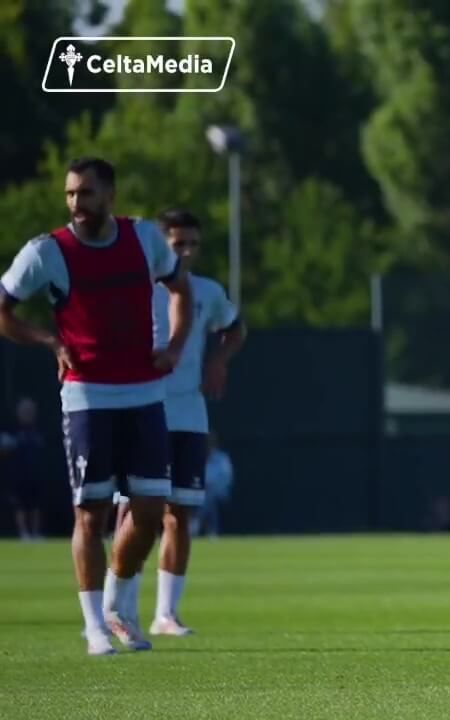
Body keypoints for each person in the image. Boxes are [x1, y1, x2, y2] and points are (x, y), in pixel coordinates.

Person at [0, 157, 193, 655]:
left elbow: (179, 290)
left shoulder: (144, 238)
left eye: (85, 193)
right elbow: (4, 309)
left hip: (144, 391)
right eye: (69, 194)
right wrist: (47, 341)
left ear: (109, 194)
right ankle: (93, 627)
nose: (75, 203)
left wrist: (173, 347)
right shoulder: (47, 251)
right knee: (91, 511)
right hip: (86, 395)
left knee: (150, 510)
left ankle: (116, 602)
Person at [115, 208, 246, 636]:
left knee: (181, 514)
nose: (187, 251)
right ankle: (119, 609)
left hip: (190, 414)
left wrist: (219, 361)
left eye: (193, 243)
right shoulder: (135, 287)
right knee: (135, 513)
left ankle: (165, 614)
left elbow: (236, 328)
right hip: (141, 408)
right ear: (161, 245)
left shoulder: (207, 290)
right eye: (178, 243)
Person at [2, 398, 46, 541]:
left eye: (30, 410)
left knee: (35, 505)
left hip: (35, 474)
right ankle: (24, 533)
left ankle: (35, 532)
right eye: (25, 411)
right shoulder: (12, 429)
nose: (28, 413)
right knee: (20, 505)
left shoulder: (38, 430)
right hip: (18, 475)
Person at [194, 431, 233, 537]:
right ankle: (212, 531)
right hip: (199, 493)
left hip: (219, 493)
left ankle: (196, 523)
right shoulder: (196, 458)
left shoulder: (222, 458)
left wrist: (211, 487)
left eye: (209, 441)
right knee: (207, 499)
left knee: (210, 496)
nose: (207, 444)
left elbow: (226, 479)